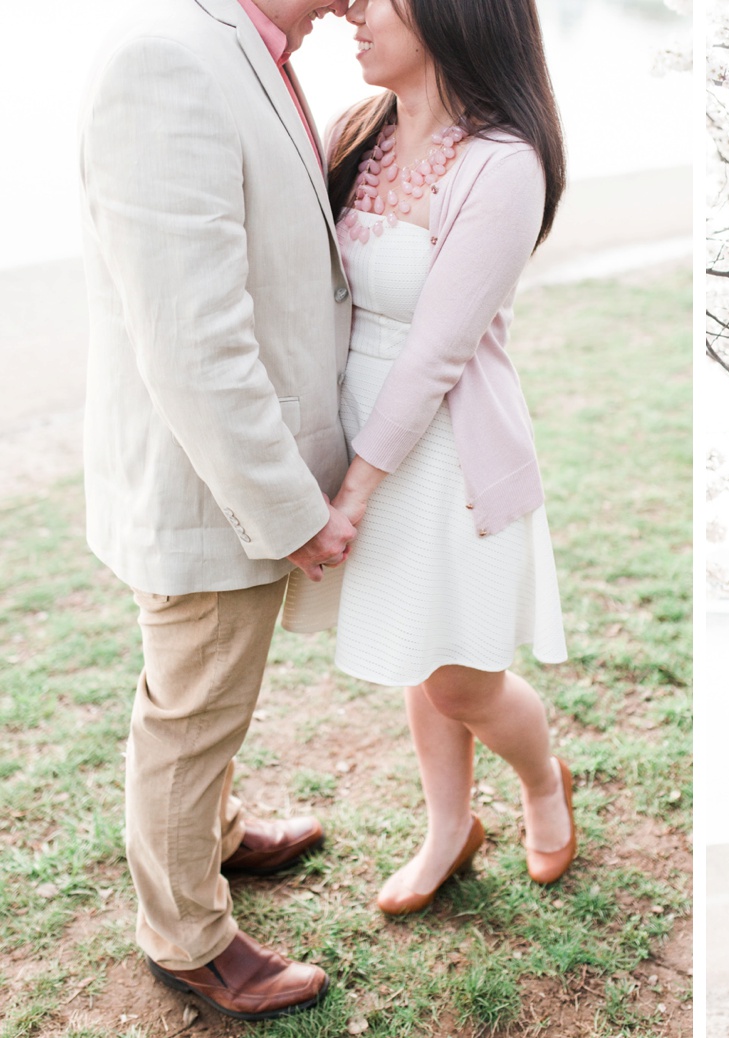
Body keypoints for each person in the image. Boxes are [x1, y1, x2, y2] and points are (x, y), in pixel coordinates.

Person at [80, 0, 360, 1022]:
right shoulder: (167, 59)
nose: (355, 4)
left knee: (214, 697)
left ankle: (218, 833)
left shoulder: (241, 47)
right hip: (207, 482)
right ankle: (186, 937)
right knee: (191, 713)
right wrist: (288, 508)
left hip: (228, 475)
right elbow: (193, 340)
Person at [280, 0, 574, 915]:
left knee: (462, 680)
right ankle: (449, 829)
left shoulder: (501, 166)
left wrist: (356, 489)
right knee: (419, 649)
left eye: (380, 0)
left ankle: (541, 781)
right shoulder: (354, 134)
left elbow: (436, 354)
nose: (352, 13)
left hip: (444, 452)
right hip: (358, 433)